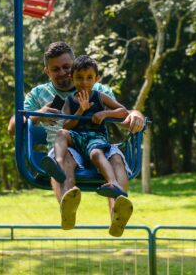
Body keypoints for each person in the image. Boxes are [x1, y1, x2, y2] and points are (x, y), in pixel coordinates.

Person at [8, 42, 145, 236]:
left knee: (115, 158)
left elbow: (122, 115)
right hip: (68, 146)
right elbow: (12, 127)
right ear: (47, 71)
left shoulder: (97, 90)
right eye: (56, 69)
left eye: (67, 67)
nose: (63, 72)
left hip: (97, 143)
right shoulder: (39, 94)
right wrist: (38, 113)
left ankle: (118, 213)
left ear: (74, 66)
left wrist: (136, 115)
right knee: (64, 158)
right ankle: (67, 206)